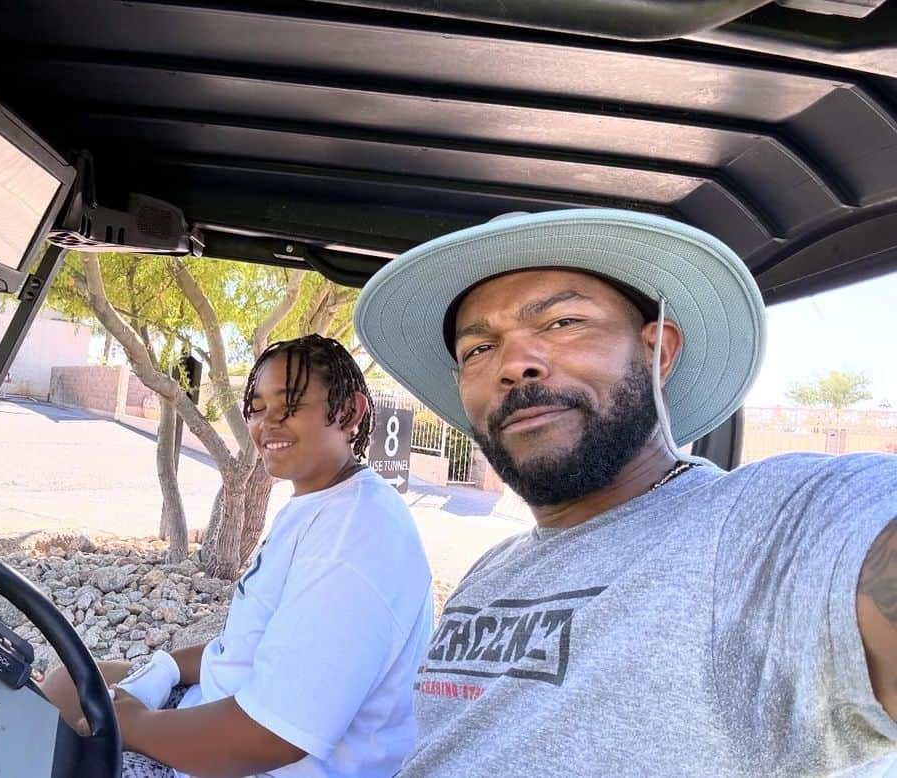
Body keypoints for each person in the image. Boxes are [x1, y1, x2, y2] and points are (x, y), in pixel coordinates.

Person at [353, 209, 897, 776]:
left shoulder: (760, 532)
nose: (514, 364)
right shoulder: (489, 574)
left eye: (562, 322)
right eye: (479, 350)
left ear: (657, 352)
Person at [43, 334, 434, 777]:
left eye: (288, 404)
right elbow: (254, 645)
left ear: (348, 412)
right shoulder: (320, 503)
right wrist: (168, 667)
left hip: (254, 761)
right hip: (223, 714)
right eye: (258, 406)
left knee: (54, 747)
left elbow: (271, 738)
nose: (268, 422)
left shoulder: (356, 537)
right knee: (65, 686)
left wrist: (133, 726)